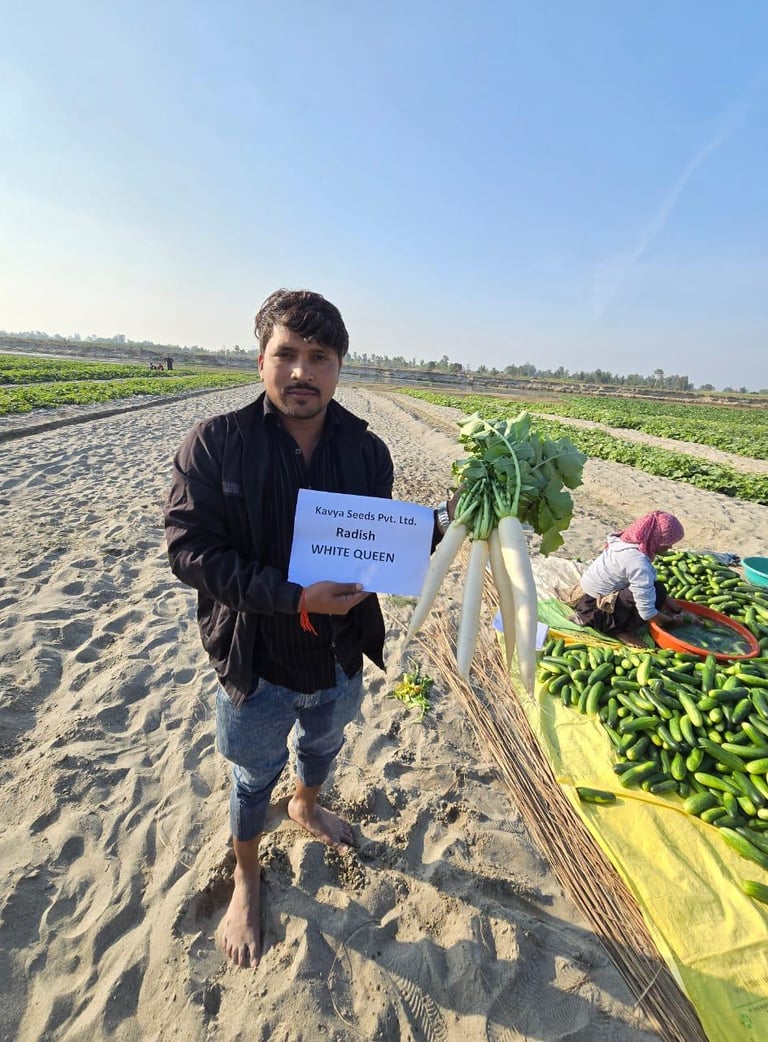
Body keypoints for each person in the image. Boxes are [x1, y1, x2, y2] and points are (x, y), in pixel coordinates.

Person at [164, 288, 455, 970]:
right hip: (254, 661)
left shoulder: (366, 451)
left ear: (339, 366)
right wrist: (294, 597)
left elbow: (379, 543)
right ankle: (246, 877)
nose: (301, 372)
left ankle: (306, 806)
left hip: (338, 654)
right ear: (261, 359)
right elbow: (190, 552)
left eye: (318, 357)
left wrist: (445, 521)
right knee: (249, 778)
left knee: (323, 745)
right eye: (286, 354)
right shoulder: (216, 444)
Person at [567, 510, 690, 645]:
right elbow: (647, 613)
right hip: (594, 611)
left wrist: (680, 610)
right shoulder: (638, 561)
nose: (671, 546)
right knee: (650, 594)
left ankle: (616, 624)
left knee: (656, 589)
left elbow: (651, 584)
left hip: (584, 597)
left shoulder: (627, 541)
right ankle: (618, 630)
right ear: (657, 539)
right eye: (668, 542)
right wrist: (672, 622)